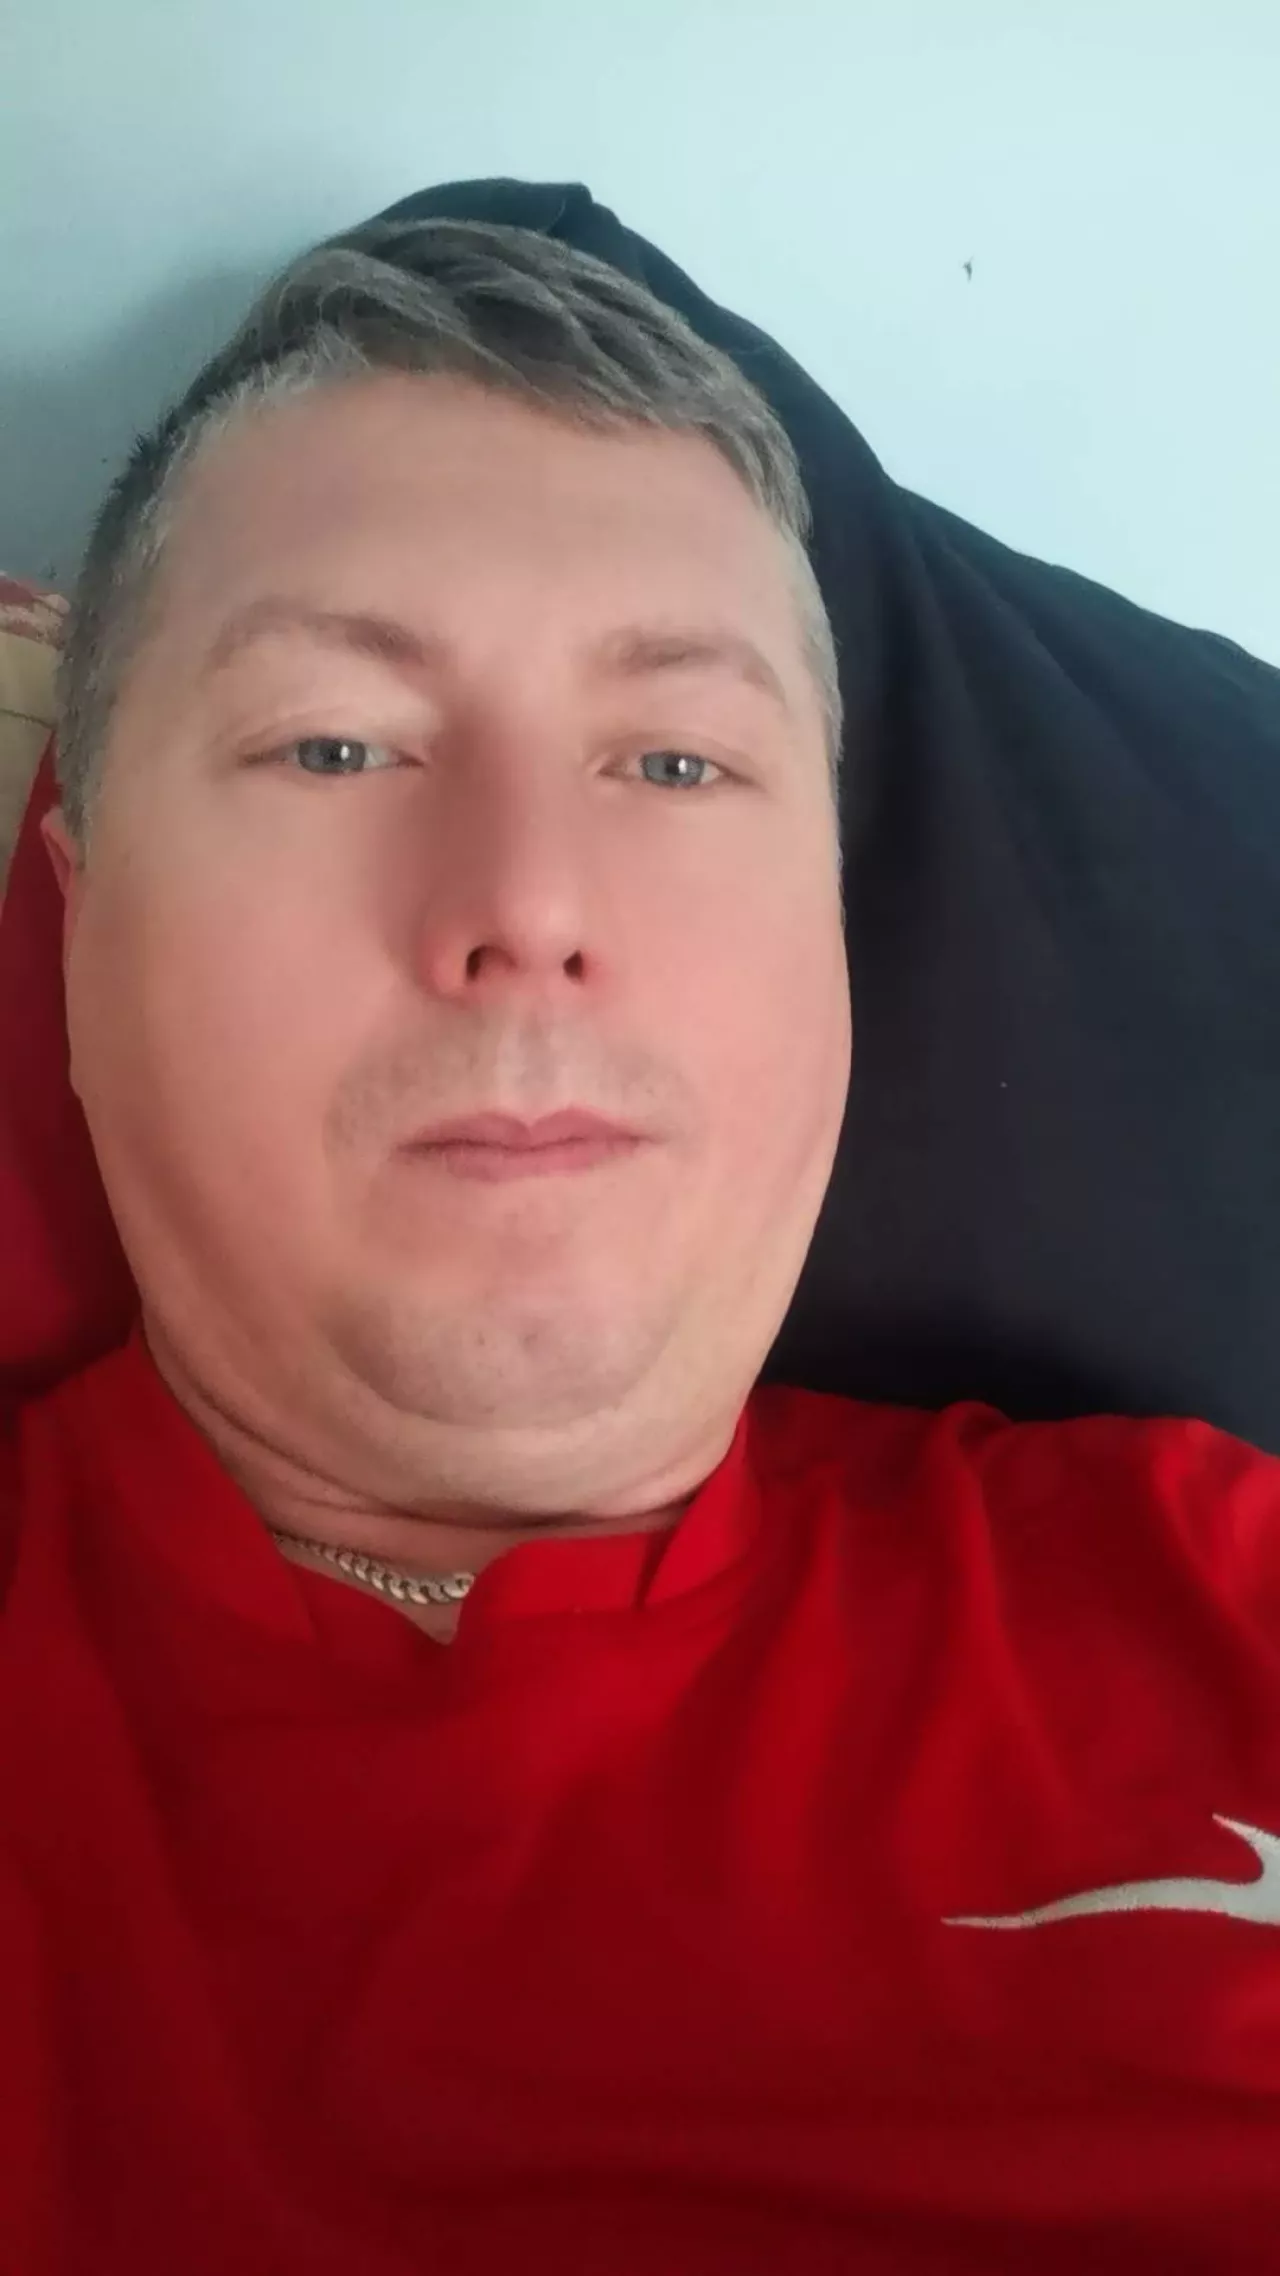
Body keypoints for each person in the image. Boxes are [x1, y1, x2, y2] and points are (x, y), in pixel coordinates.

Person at [1, 217, 1277, 2276]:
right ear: (74, 918)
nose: (526, 903)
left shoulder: (1222, 1601)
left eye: (679, 760)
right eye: (335, 743)